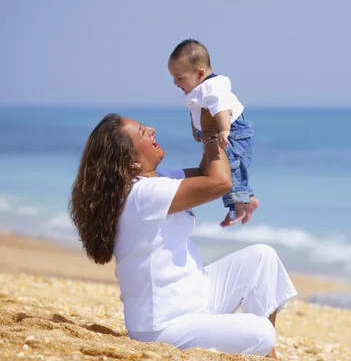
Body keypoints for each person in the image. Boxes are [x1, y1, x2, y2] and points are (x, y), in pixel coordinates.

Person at [69, 109, 297, 359]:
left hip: (197, 297)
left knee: (263, 258)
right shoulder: (143, 195)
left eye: (144, 125)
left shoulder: (157, 180)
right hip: (164, 326)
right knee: (261, 332)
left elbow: (205, 172)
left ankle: (268, 356)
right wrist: (212, 133)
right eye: (142, 132)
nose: (151, 129)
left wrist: (203, 120)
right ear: (132, 162)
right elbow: (219, 182)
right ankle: (266, 352)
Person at [168, 39, 259, 228]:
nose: (175, 82)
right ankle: (248, 198)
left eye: (179, 77)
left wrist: (225, 130)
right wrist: (196, 130)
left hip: (231, 130)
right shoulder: (196, 89)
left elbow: (221, 108)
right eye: (174, 77)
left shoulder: (212, 87)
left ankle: (239, 205)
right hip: (216, 131)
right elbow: (195, 110)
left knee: (230, 168)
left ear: (200, 73)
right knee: (220, 167)